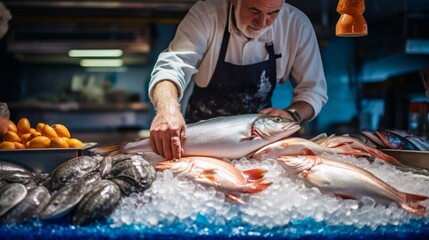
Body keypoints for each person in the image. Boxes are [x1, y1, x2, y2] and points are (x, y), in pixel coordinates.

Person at [148, 0, 328, 160]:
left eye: (273, 13)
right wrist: (167, 109)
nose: (262, 23)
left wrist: (292, 114)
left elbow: (313, 91)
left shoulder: (297, 26)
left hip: (259, 143)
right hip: (199, 141)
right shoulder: (206, 15)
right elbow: (172, 66)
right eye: (254, 11)